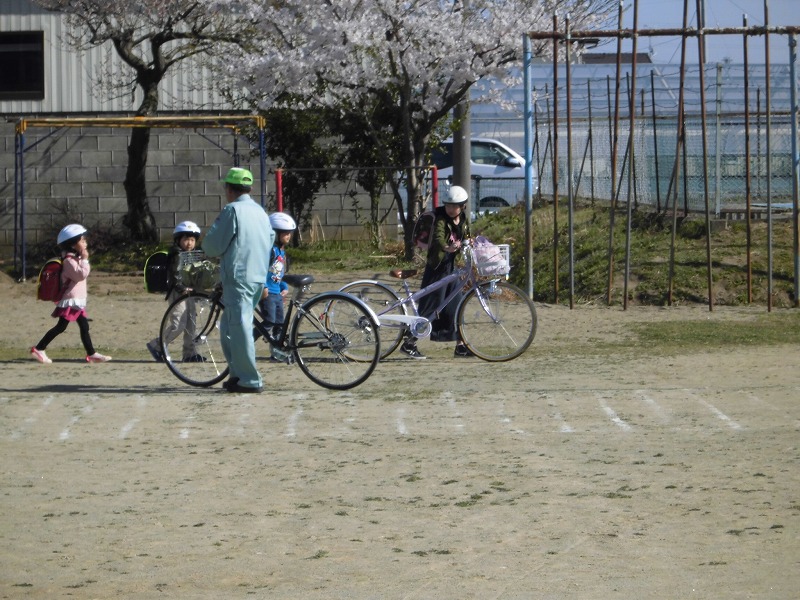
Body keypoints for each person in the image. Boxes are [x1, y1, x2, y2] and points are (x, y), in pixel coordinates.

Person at [203, 167, 274, 393]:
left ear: (229, 189)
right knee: (229, 326)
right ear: (250, 188)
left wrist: (208, 249)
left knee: (239, 326)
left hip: (239, 277)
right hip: (257, 276)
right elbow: (270, 240)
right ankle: (236, 374)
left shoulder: (232, 210)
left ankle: (249, 380)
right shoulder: (260, 212)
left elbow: (213, 244)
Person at [400, 185, 473, 359]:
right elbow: (438, 238)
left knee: (456, 306)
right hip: (437, 268)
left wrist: (470, 241)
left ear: (462, 206)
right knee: (431, 307)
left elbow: (467, 235)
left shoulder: (462, 219)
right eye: (447, 205)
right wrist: (447, 247)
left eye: (453, 206)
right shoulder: (441, 218)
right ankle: (409, 343)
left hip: (452, 268)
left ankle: (460, 346)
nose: (449, 209)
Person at [31, 224, 112, 364]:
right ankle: (39, 348)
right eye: (82, 240)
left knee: (84, 327)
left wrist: (82, 258)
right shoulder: (69, 261)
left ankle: (91, 353)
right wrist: (85, 259)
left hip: (77, 300)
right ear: (73, 244)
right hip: (71, 300)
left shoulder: (75, 259)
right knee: (61, 327)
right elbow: (81, 275)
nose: (85, 243)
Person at [146, 221, 204, 363]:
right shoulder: (177, 255)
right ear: (178, 240)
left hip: (189, 292)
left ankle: (189, 353)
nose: (189, 243)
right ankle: (157, 345)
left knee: (191, 322)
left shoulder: (192, 255)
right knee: (178, 323)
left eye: (192, 240)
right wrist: (182, 288)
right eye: (185, 239)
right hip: (178, 293)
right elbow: (175, 275)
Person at [259, 212, 296, 358]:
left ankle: (277, 350)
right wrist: (263, 286)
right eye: (285, 233)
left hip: (277, 294)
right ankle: (248, 340)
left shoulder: (281, 251)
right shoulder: (270, 251)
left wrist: (284, 287)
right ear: (275, 233)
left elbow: (280, 274)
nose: (288, 236)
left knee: (280, 323)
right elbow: (261, 269)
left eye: (289, 233)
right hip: (267, 293)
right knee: (269, 321)